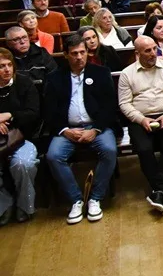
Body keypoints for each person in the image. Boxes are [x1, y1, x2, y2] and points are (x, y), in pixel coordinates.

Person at [42, 35, 118, 225]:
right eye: (74, 53)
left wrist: (96, 129)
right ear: (66, 55)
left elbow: (110, 106)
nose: (79, 57)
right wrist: (64, 130)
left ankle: (95, 198)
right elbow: (49, 110)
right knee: (53, 156)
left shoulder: (101, 73)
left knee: (109, 150)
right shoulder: (55, 78)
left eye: (82, 52)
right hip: (67, 130)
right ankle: (76, 199)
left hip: (96, 127)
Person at [119, 36, 163, 215]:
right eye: (147, 51)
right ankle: (162, 189)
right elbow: (124, 103)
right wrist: (141, 119)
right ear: (137, 53)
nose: (153, 53)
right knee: (144, 148)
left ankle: (158, 190)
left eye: (154, 49)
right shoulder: (127, 74)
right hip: (140, 119)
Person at [0, 48, 40, 226]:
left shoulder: (24, 83)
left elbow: (33, 113)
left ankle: (25, 206)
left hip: (22, 138)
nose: (7, 69)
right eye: (1, 66)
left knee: (23, 163)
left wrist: (10, 116)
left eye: (9, 65)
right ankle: (4, 205)